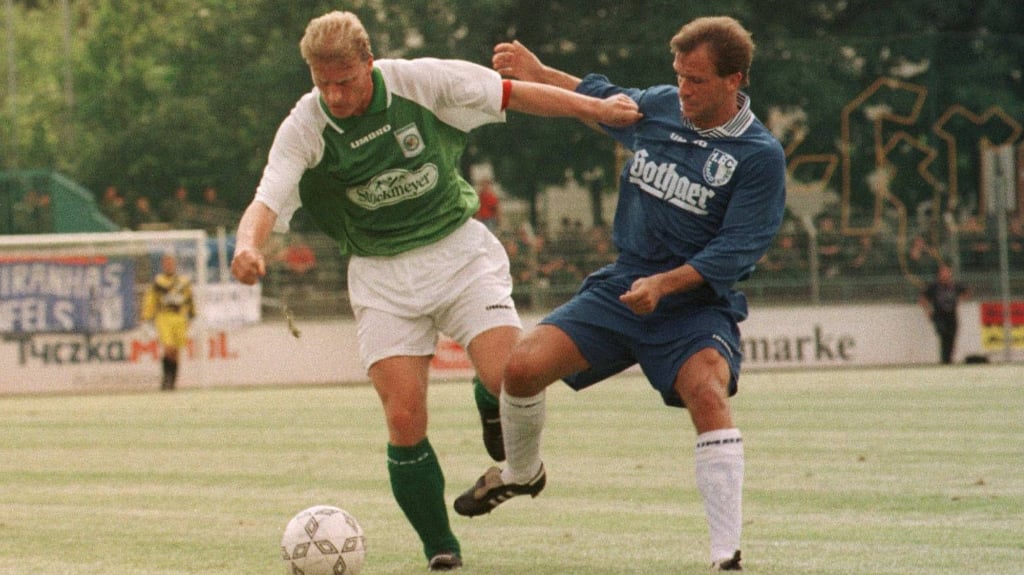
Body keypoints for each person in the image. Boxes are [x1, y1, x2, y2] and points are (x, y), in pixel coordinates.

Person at [228, 10, 641, 571]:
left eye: (345, 81)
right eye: (322, 84)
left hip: (458, 255)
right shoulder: (305, 125)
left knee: (507, 379)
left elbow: (512, 93)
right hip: (380, 277)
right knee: (404, 419)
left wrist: (595, 108)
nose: (335, 95)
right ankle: (441, 548)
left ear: (369, 63)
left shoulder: (421, 82)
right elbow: (267, 199)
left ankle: (493, 414)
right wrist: (246, 247)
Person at [453, 16, 787, 572]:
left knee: (708, 394)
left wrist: (666, 284)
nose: (683, 89)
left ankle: (726, 556)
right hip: (624, 285)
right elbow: (600, 99)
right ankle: (520, 473)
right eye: (679, 76)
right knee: (521, 369)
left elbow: (736, 251)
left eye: (697, 80)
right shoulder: (660, 106)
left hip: (694, 306)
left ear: (736, 80)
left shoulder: (758, 156)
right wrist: (539, 73)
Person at [141, 253, 195, 391]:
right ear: (163, 265)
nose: (169, 265)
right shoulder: (158, 282)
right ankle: (166, 379)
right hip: (164, 317)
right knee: (168, 348)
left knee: (176, 351)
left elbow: (189, 300)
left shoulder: (183, 282)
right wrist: (147, 318)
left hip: (180, 318)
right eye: (166, 263)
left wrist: (194, 316)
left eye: (171, 262)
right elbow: (150, 300)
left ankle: (172, 382)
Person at [918, 264, 970, 364]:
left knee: (951, 338)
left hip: (952, 315)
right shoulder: (934, 286)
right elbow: (922, 298)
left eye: (947, 272)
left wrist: (960, 300)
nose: (945, 275)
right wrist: (928, 311)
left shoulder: (955, 285)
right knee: (943, 336)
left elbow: (966, 292)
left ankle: (948, 360)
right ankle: (945, 359)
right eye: (943, 272)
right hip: (939, 316)